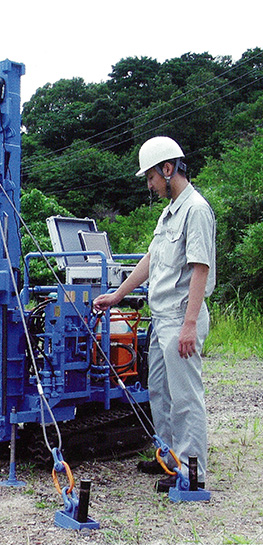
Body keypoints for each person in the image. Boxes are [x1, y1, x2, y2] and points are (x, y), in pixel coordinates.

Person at [93, 136, 216, 492]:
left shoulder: (195, 209)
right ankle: (168, 459)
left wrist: (190, 325)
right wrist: (118, 295)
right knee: (159, 393)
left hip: (181, 316)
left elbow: (200, 269)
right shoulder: (169, 212)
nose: (149, 184)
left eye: (150, 177)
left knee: (185, 396)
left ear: (168, 168)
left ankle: (192, 475)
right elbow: (151, 260)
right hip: (162, 317)